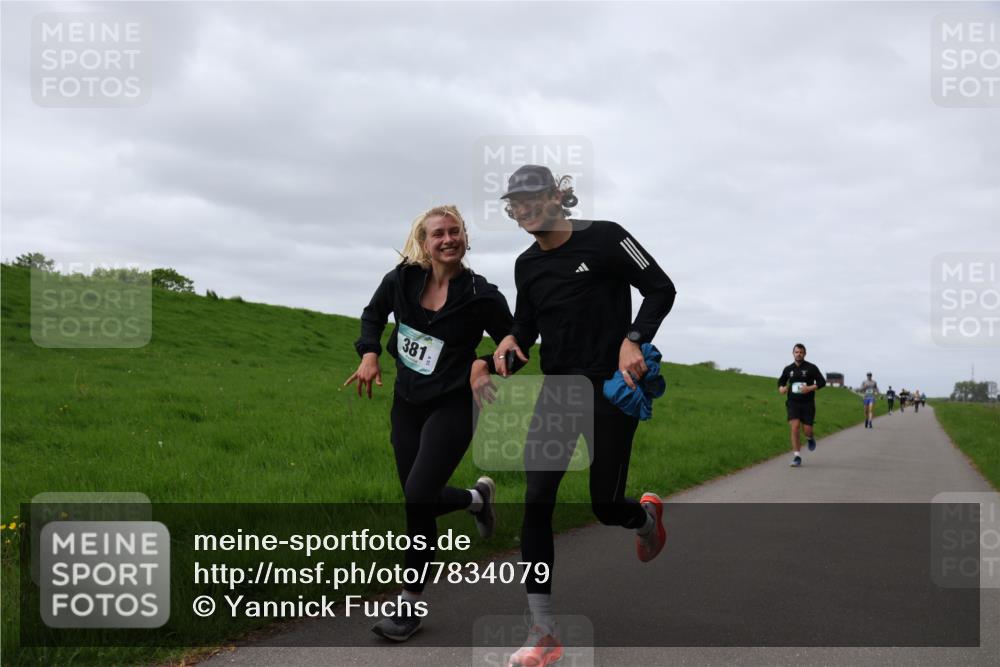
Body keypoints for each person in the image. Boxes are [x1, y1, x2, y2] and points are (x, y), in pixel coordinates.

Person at [477, 165, 677, 667]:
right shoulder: (527, 265)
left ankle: (645, 517)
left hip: (612, 387)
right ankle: (542, 631)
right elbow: (527, 324)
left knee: (605, 506)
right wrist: (509, 342)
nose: (522, 210)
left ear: (555, 196)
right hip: (559, 390)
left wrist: (634, 340)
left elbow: (661, 289)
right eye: (514, 204)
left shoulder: (607, 238)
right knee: (538, 498)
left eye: (530, 199)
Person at [346, 205, 513, 642]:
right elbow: (372, 315)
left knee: (419, 497)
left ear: (465, 238)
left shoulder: (482, 294)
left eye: (454, 231)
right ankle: (477, 499)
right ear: (424, 242)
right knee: (417, 497)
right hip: (408, 401)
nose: (447, 239)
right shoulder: (401, 279)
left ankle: (409, 604)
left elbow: (513, 345)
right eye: (437, 233)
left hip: (456, 404)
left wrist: (484, 366)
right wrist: (369, 352)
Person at [777, 343, 827, 467]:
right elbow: (781, 381)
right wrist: (781, 388)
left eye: (801, 352)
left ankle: (810, 438)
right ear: (793, 353)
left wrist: (810, 388)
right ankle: (797, 456)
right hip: (793, 403)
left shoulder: (811, 368)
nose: (798, 354)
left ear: (805, 354)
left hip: (808, 403)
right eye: (796, 352)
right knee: (794, 427)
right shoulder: (788, 369)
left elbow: (822, 382)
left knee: (807, 430)